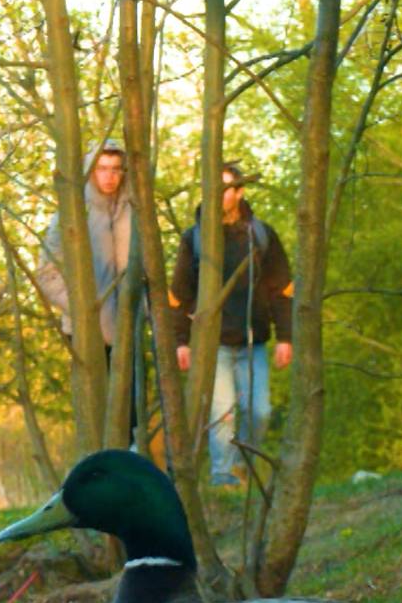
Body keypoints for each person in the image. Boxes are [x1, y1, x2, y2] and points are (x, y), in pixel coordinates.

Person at [169, 164, 294, 486]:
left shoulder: (261, 236)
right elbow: (179, 295)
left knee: (260, 412)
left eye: (227, 188)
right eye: (215, 187)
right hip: (214, 346)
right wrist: (181, 342)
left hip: (254, 343)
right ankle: (223, 477)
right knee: (222, 415)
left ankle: (242, 466)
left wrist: (286, 336)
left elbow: (282, 288)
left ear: (240, 192)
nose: (220, 194)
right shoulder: (194, 239)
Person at [33, 140, 143, 438]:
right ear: (91, 170)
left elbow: (145, 269)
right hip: (86, 333)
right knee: (96, 421)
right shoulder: (72, 213)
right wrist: (82, 309)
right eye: (102, 168)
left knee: (131, 421)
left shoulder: (135, 211)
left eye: (116, 169)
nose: (110, 176)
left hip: (128, 330)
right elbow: (46, 274)